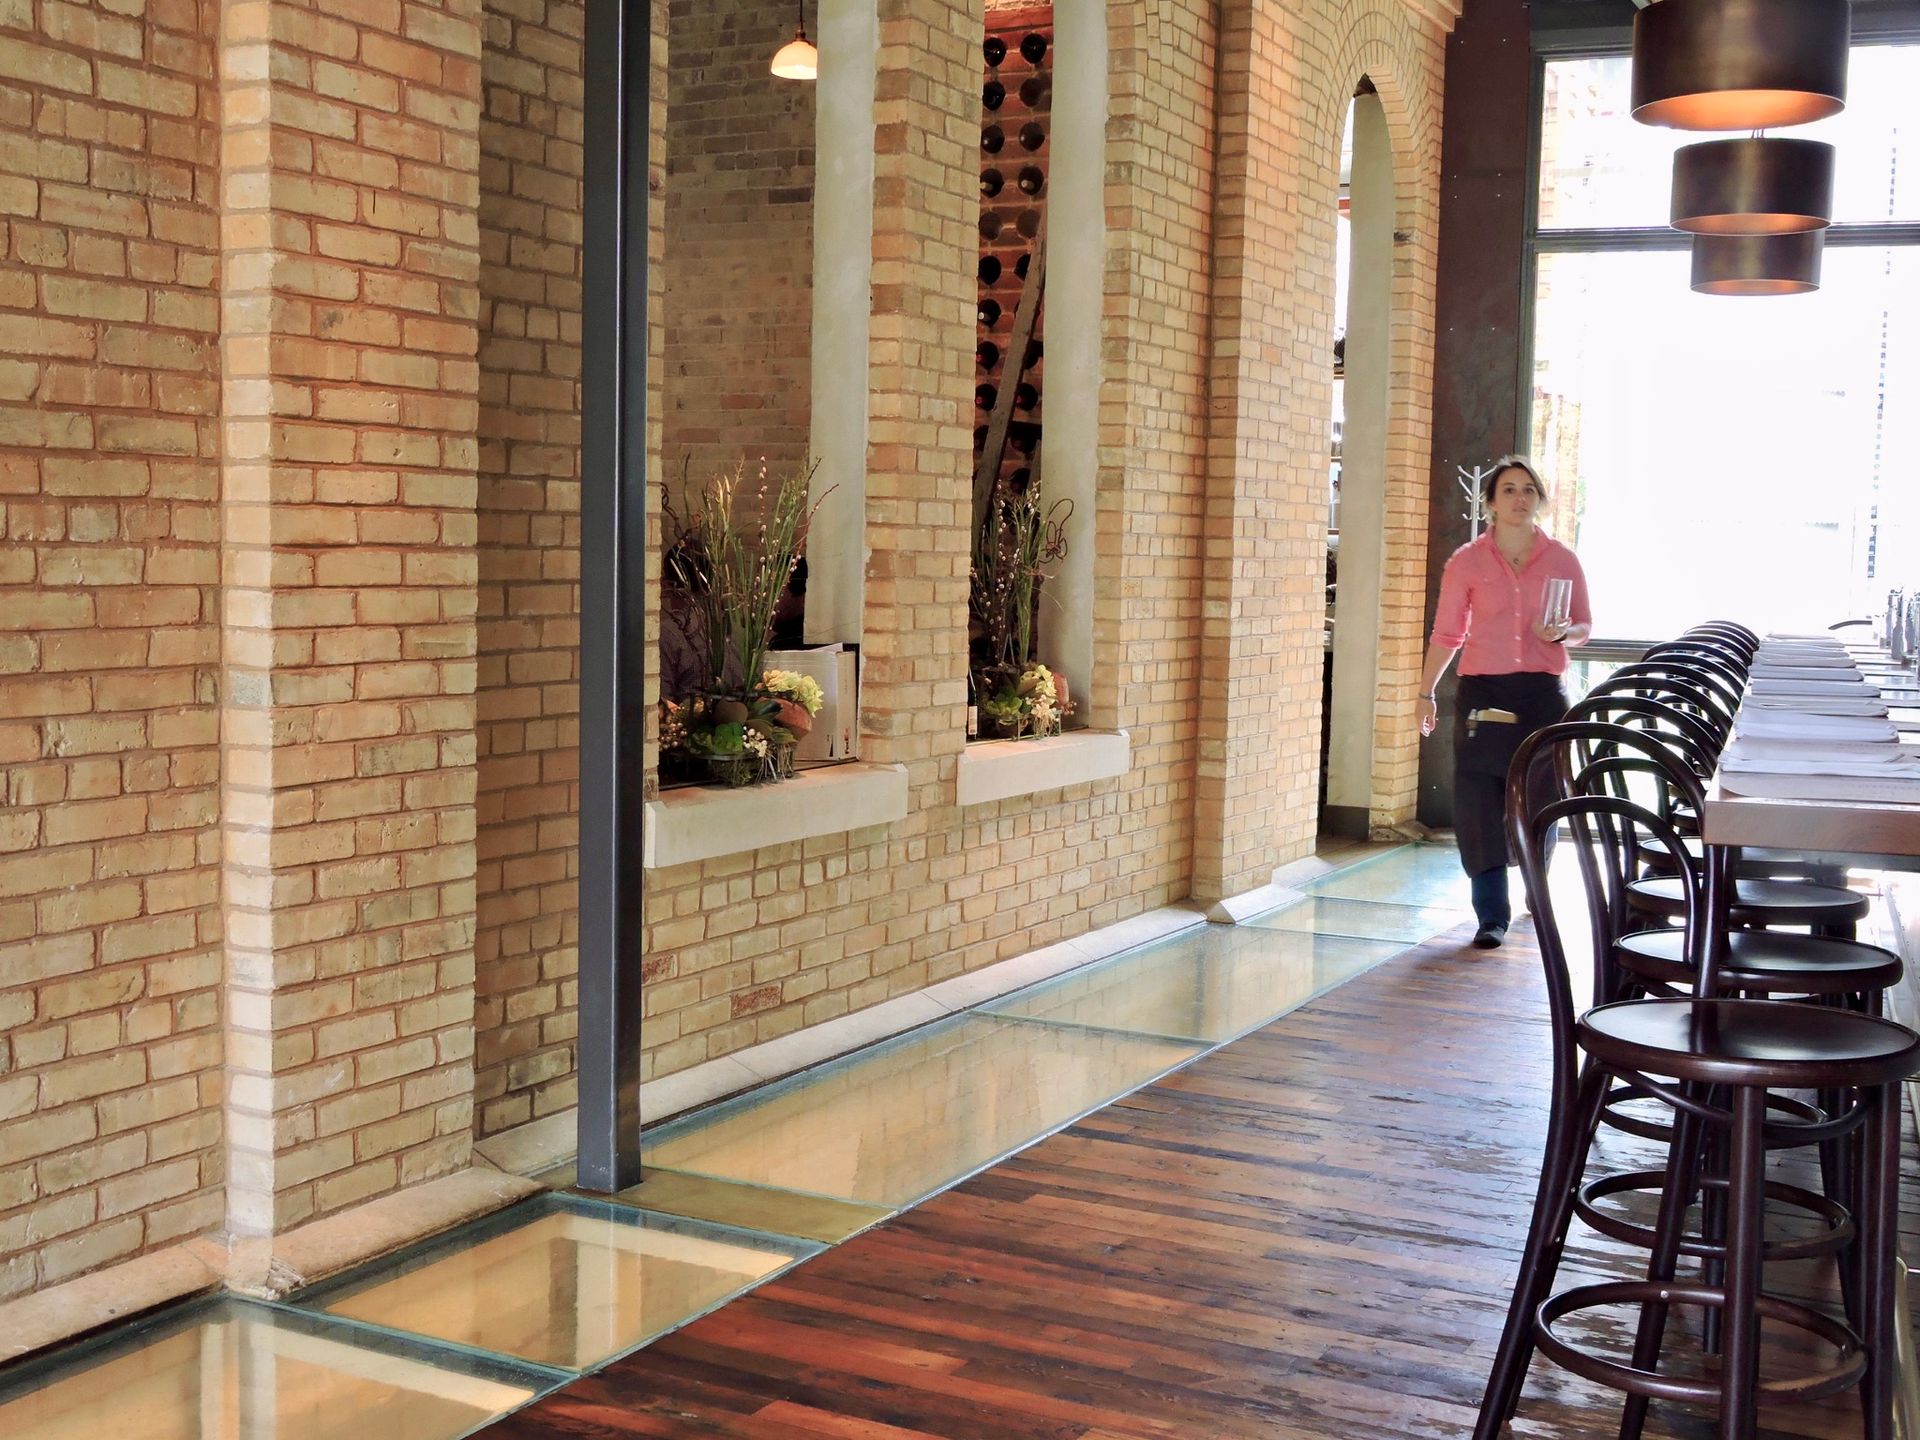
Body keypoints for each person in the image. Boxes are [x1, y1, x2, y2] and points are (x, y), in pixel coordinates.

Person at [1416, 457, 1591, 949]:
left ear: (1539, 500)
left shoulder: (1563, 560)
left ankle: (1537, 885)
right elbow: (1447, 634)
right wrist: (1425, 693)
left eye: (1528, 489)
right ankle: (1491, 914)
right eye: (1509, 489)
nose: (1519, 498)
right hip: (1483, 694)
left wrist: (1563, 633)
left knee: (1542, 796)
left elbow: (1584, 627)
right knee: (1478, 801)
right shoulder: (1467, 562)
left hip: (1543, 695)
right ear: (1490, 501)